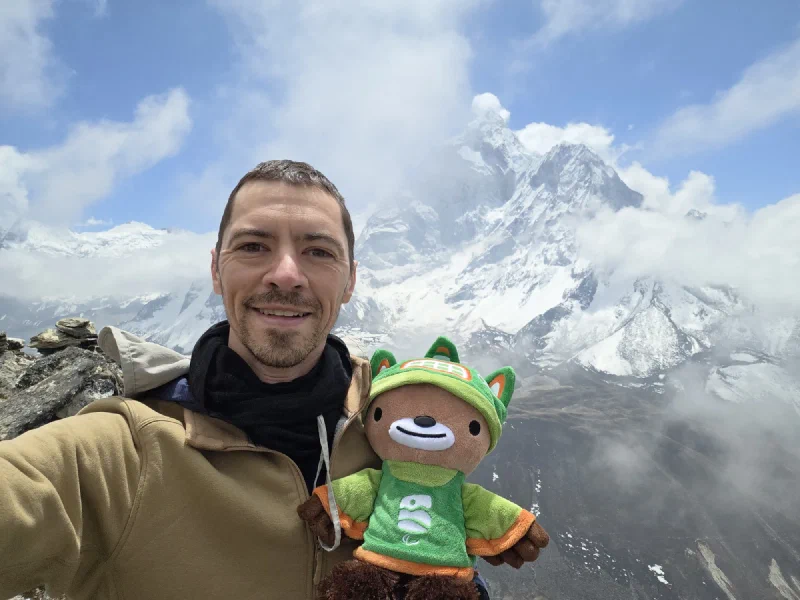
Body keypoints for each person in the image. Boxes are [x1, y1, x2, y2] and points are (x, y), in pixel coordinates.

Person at [0, 161, 495, 599]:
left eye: (318, 252)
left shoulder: (398, 421)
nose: (285, 274)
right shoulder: (120, 455)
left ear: (350, 281)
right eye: (254, 246)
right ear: (216, 269)